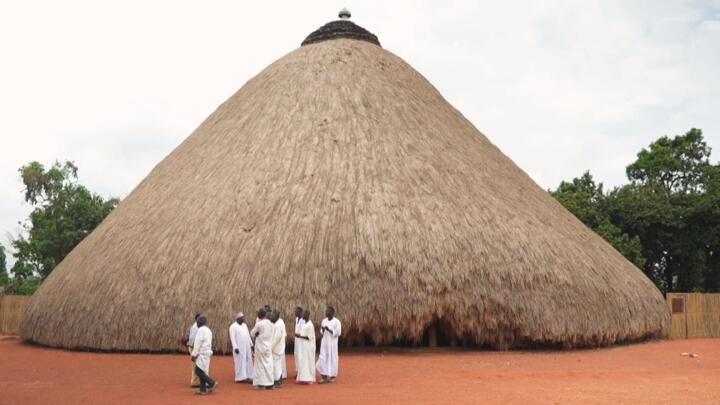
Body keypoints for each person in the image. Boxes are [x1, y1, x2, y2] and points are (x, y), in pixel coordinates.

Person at [191, 315, 218, 395]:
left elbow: (197, 343)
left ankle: (212, 383)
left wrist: (194, 354)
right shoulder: (208, 330)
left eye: (198, 322)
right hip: (207, 353)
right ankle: (202, 389)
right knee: (202, 370)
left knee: (198, 371)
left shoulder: (200, 330)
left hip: (202, 353)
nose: (197, 323)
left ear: (201, 322)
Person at [250, 307, 275, 390]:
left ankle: (261, 384)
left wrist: (257, 334)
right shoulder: (271, 324)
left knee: (260, 365)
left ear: (261, 314)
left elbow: (252, 333)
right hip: (268, 346)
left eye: (258, 313)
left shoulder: (259, 324)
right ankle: (270, 384)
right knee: (269, 364)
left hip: (260, 346)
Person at [316, 306, 341, 383]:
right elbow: (321, 331)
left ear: (332, 313)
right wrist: (323, 330)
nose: (326, 312)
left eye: (328, 311)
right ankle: (324, 376)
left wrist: (329, 330)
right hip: (324, 343)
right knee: (323, 357)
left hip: (332, 344)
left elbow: (338, 332)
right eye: (326, 311)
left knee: (332, 359)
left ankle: (333, 376)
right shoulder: (324, 321)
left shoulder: (336, 321)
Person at [229, 312, 253, 383]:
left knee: (248, 360)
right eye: (242, 318)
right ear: (238, 319)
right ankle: (240, 378)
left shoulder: (244, 325)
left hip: (247, 346)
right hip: (239, 348)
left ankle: (249, 376)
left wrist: (251, 344)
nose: (243, 319)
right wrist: (235, 347)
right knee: (240, 362)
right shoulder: (233, 326)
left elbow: (248, 335)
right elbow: (232, 337)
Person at [294, 309, 316, 384]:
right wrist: (299, 335)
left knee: (308, 362)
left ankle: (310, 378)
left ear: (307, 315)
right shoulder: (304, 324)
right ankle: (303, 378)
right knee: (303, 362)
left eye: (303, 314)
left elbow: (309, 337)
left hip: (308, 347)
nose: (302, 315)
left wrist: (299, 336)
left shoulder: (310, 325)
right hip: (303, 346)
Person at [270, 309, 287, 387]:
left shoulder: (278, 324)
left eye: (273, 315)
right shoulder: (280, 322)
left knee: (276, 365)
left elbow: (277, 338)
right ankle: (279, 380)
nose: (271, 317)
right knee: (278, 365)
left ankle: (277, 381)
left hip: (276, 348)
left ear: (276, 315)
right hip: (279, 347)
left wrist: (271, 347)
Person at [187, 313, 201, 387]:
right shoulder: (196, 327)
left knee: (197, 364)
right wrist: (194, 350)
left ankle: (197, 381)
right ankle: (194, 382)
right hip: (194, 347)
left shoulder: (195, 326)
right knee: (195, 365)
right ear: (197, 319)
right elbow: (192, 338)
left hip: (193, 347)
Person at [293, 306, 305, 377]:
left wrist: (299, 335)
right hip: (296, 340)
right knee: (296, 355)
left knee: (301, 356)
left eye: (296, 311)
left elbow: (304, 332)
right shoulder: (297, 319)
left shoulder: (303, 320)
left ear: (300, 312)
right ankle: (298, 371)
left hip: (301, 340)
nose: (295, 313)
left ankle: (302, 372)